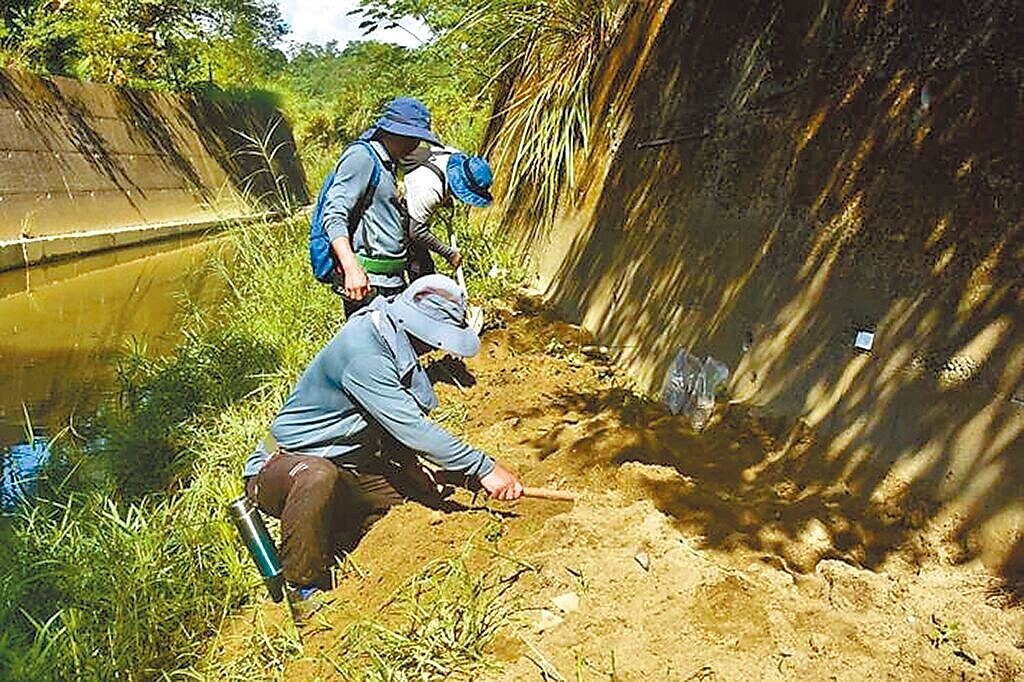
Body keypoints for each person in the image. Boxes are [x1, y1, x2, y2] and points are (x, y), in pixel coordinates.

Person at [241, 274, 523, 615]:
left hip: (341, 462)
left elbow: (385, 422)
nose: (436, 347)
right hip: (279, 467)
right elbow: (412, 429)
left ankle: (334, 535)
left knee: (408, 500)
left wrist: (410, 468)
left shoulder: (388, 336)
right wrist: (485, 468)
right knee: (317, 477)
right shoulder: (365, 352)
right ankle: (303, 587)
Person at [322, 97, 441, 317]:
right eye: (415, 138)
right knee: (377, 348)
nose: (417, 145)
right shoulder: (362, 158)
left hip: (391, 282)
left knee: (397, 347)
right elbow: (334, 214)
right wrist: (351, 268)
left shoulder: (387, 163)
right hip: (369, 284)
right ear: (398, 133)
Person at [401, 145, 495, 280]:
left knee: (425, 269)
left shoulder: (454, 155)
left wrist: (446, 196)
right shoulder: (430, 190)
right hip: (395, 206)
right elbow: (416, 232)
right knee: (417, 270)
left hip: (415, 193)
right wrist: (449, 254)